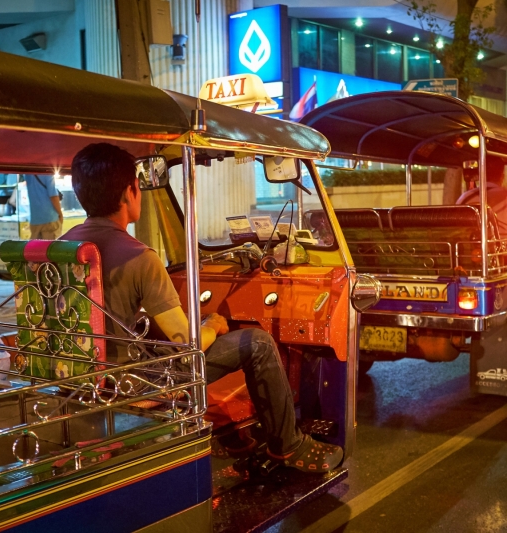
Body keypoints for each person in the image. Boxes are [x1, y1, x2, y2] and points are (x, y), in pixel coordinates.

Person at [61, 143, 343, 473]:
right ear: (130, 190)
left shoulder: (62, 247)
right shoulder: (139, 257)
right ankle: (288, 446)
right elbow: (186, 344)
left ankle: (228, 431)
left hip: (77, 379)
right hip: (132, 385)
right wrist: (212, 324)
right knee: (259, 344)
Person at [456, 157, 507, 238]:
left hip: (468, 248)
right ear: (502, 177)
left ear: (480, 176)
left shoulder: (464, 197)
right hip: (502, 249)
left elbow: (456, 230)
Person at [24, 173, 63, 239]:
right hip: (50, 219)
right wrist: (60, 213)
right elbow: (53, 196)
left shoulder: (28, 173)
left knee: (36, 248)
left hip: (35, 221)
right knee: (50, 248)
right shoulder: (47, 172)